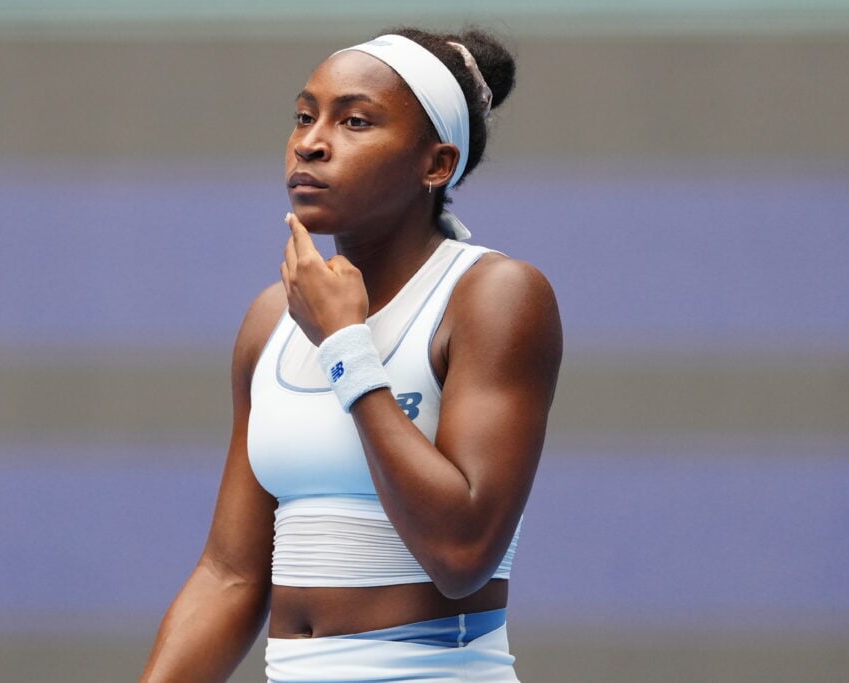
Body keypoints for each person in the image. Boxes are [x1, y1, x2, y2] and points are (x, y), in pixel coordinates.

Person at [140, 26, 562, 683]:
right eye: (304, 116)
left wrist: (346, 348)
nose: (310, 142)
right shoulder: (272, 319)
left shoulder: (494, 295)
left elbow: (461, 554)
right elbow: (230, 575)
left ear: (436, 165)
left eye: (355, 121)